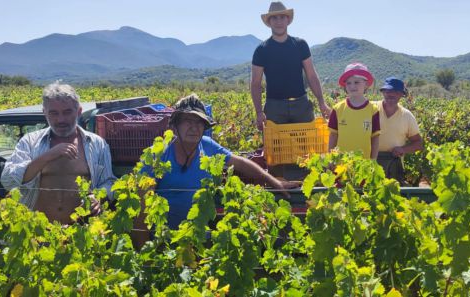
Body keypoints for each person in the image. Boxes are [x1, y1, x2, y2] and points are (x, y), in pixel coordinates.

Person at [139, 94, 300, 231]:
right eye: (188, 121)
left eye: (199, 122)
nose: (194, 127)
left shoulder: (207, 145)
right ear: (174, 127)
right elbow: (141, 210)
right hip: (162, 239)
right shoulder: (157, 155)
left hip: (199, 235)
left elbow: (241, 164)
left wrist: (273, 181)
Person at [1, 82, 116, 224]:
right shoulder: (29, 142)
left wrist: (98, 196)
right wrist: (48, 156)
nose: (61, 119)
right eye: (54, 113)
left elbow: (109, 181)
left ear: (79, 111)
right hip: (38, 233)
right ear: (44, 112)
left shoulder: (97, 144)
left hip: (82, 234)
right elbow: (8, 180)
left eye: (67, 112)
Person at [251, 1, 331, 131]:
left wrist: (322, 102)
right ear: (269, 22)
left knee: (306, 146)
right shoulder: (261, 50)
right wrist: (259, 112)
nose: (279, 21)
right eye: (274, 18)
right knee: (276, 148)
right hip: (274, 107)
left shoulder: (300, 45)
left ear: (288, 20)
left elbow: (311, 75)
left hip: (301, 104)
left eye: (282, 17)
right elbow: (255, 83)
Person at [374, 77, 423, 185]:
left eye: (395, 92)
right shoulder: (371, 109)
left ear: (401, 94)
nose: (390, 94)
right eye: (387, 91)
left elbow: (418, 143)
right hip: (369, 163)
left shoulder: (407, 116)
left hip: (393, 167)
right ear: (383, 93)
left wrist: (403, 149)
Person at [328, 63, 380, 159]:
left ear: (366, 84)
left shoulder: (373, 110)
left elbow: (375, 138)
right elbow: (333, 136)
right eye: (348, 83)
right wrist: (331, 159)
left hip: (364, 165)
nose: (352, 86)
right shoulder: (337, 109)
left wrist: (373, 161)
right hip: (341, 164)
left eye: (356, 82)